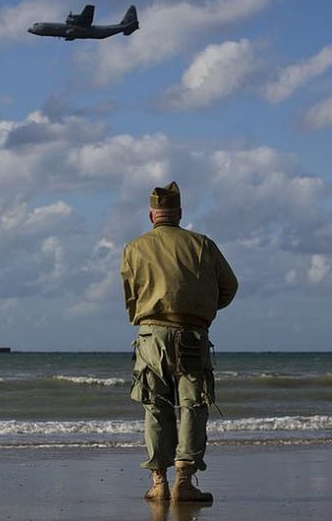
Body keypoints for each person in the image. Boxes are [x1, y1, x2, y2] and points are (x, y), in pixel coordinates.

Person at [120, 181, 238, 502]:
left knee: (155, 406)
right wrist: (203, 308)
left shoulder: (134, 247)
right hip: (192, 334)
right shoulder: (202, 245)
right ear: (180, 213)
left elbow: (130, 296)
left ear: (151, 215)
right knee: (193, 405)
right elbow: (229, 286)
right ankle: (184, 481)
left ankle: (158, 483)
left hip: (150, 335)